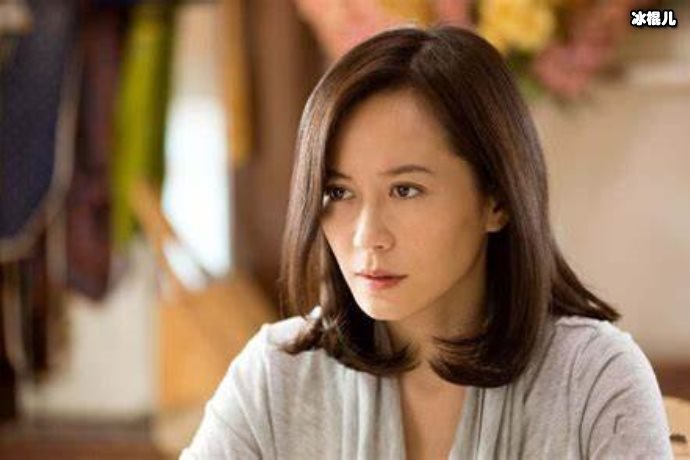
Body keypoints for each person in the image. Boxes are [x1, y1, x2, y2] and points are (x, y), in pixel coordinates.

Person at [181, 26, 672, 459]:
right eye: (339, 192)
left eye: (405, 190)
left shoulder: (593, 380)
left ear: (497, 201)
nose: (367, 236)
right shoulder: (276, 375)